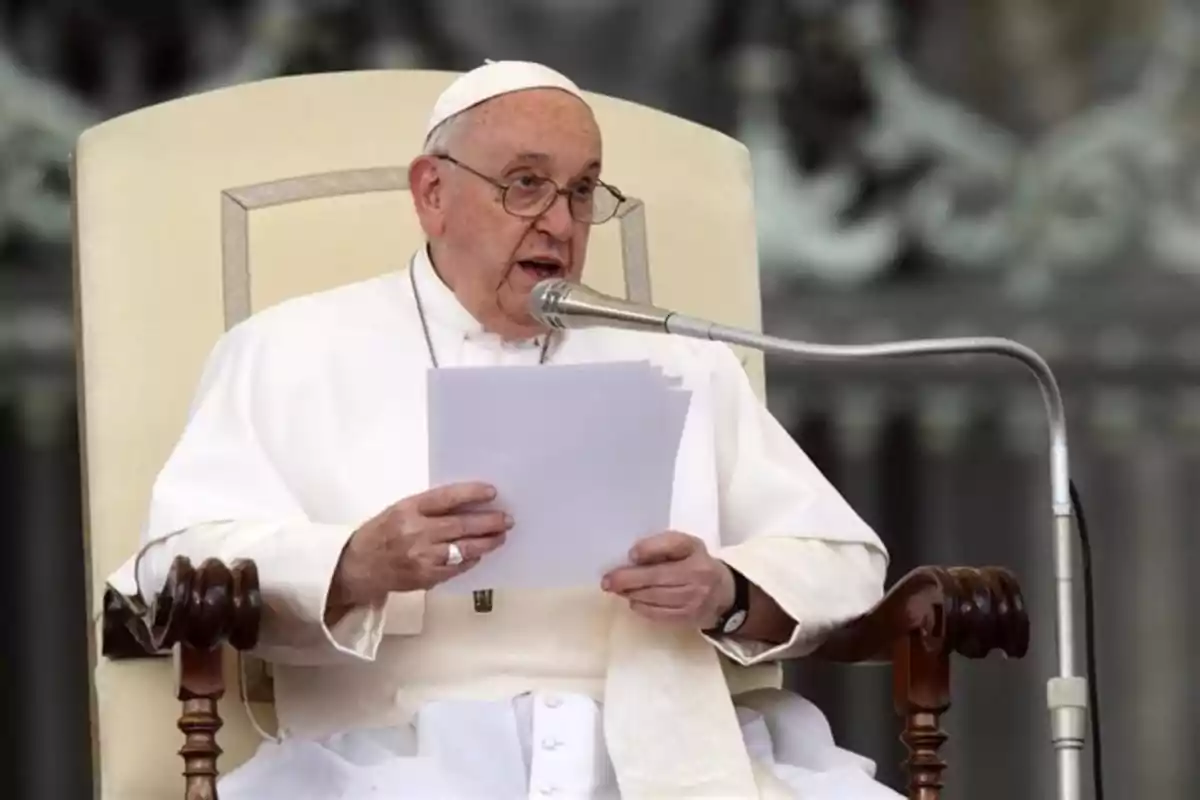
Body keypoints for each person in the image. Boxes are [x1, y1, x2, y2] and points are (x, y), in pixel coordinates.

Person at [110, 60, 902, 799]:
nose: (559, 223)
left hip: (660, 758)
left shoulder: (681, 361)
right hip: (389, 759)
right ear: (432, 193)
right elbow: (172, 563)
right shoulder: (288, 349)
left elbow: (843, 560)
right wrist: (353, 563)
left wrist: (726, 592)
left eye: (582, 192)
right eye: (525, 185)